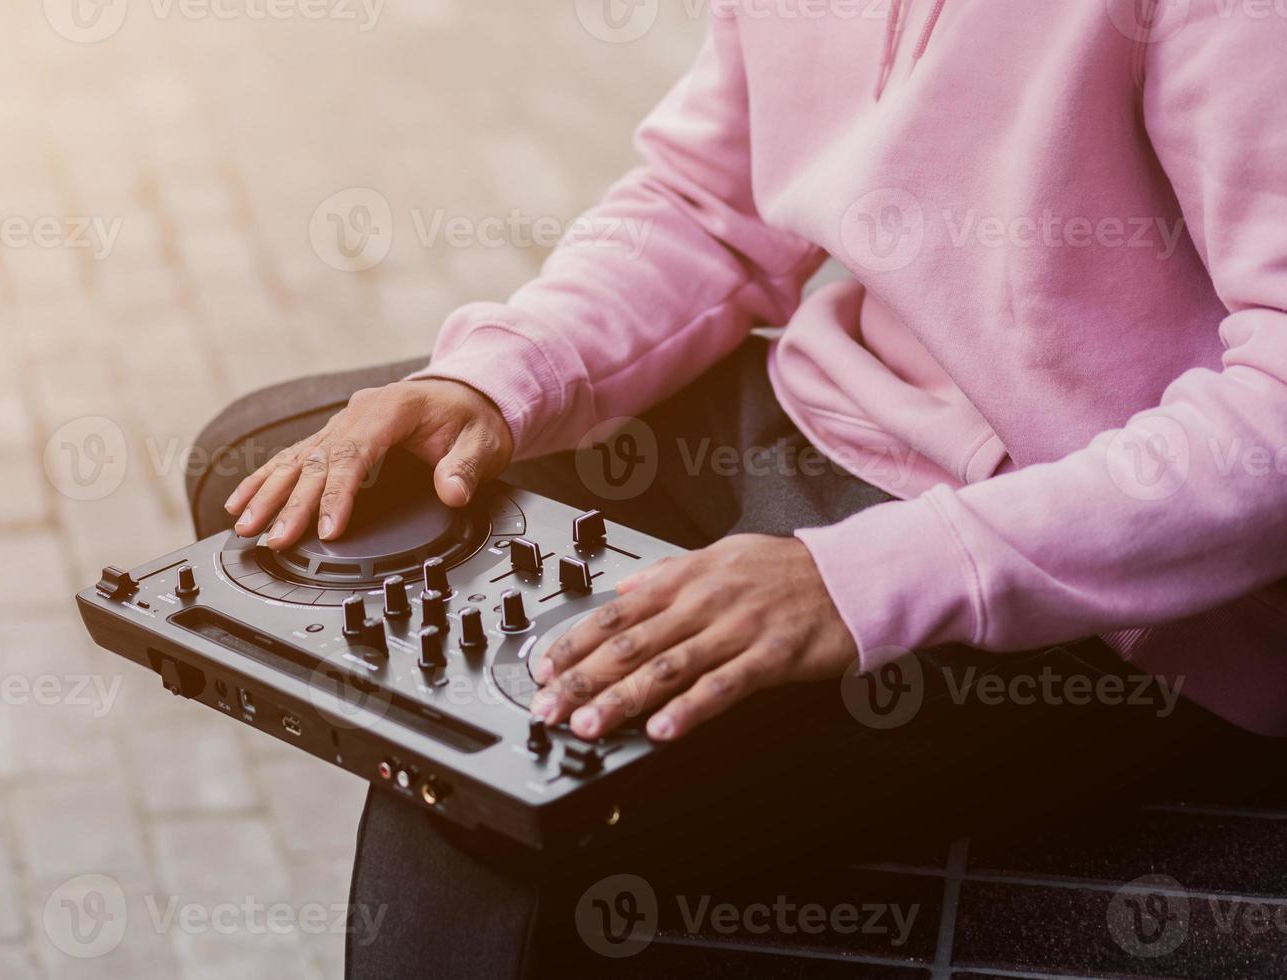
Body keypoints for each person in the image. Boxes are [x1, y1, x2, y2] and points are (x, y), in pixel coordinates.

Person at [189, 2, 1287, 974]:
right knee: (264, 468)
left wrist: (858, 578)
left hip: (1079, 583)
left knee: (495, 773)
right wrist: (494, 378)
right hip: (806, 415)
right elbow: (707, 205)